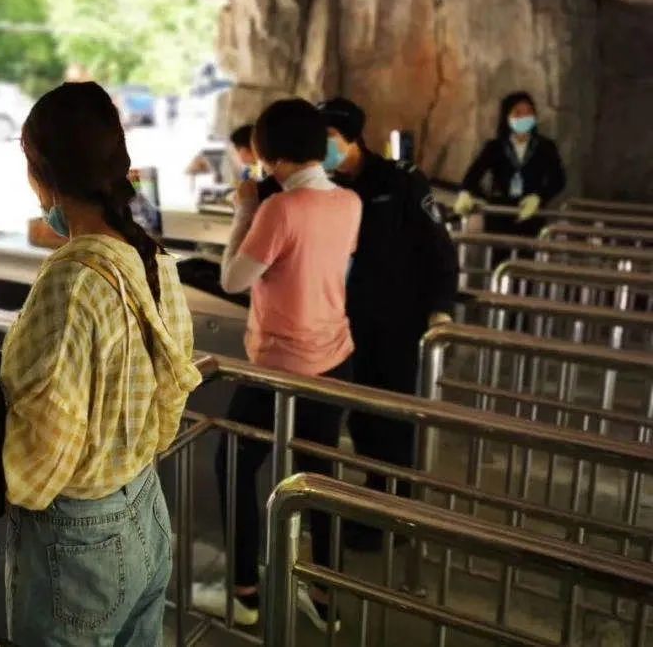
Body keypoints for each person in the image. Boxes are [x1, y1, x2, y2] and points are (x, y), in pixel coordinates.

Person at [1, 81, 202, 646]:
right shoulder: (153, 259)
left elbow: (47, 443)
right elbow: (172, 392)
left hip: (79, 541)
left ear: (42, 173)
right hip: (145, 507)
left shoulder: (71, 281)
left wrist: (10, 488)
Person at [194, 99, 362, 632]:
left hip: (280, 369)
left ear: (271, 155)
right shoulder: (350, 201)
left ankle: (244, 591)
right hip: (335, 360)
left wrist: (245, 209)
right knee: (320, 477)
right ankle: (326, 598)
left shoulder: (280, 209)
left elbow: (233, 279)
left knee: (235, 465)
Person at [319, 97, 458, 545]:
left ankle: (398, 518)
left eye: (329, 138)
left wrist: (441, 307)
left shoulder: (400, 180)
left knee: (395, 420)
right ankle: (377, 504)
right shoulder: (325, 185)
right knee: (362, 418)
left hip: (400, 321)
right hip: (350, 320)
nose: (323, 147)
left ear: (351, 137)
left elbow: (439, 247)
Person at [454, 91, 566, 237]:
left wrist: (539, 197)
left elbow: (558, 179)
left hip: (531, 215)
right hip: (499, 214)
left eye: (529, 112)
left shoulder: (545, 147)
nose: (524, 117)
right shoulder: (495, 147)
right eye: (518, 113)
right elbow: (472, 176)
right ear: (507, 117)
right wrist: (466, 193)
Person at [229, 123, 281, 201]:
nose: (237, 155)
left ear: (244, 150)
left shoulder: (269, 171)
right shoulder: (249, 171)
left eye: (237, 150)